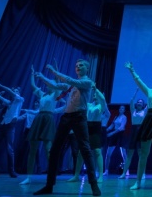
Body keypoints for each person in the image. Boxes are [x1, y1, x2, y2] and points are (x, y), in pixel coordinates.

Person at [33, 59, 101, 196]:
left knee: (85, 149)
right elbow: (56, 85)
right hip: (66, 117)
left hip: (79, 117)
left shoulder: (88, 82)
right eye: (76, 65)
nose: (78, 67)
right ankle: (49, 185)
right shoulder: (72, 85)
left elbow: (70, 80)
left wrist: (53, 71)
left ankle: (94, 185)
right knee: (54, 150)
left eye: (81, 65)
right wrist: (42, 77)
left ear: (87, 68)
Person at [124, 61, 152, 190]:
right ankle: (138, 181)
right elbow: (139, 81)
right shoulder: (149, 91)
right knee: (143, 152)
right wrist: (132, 70)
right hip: (150, 119)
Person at [19, 66, 62, 185]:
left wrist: (55, 70)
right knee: (32, 149)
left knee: (48, 149)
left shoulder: (56, 94)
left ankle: (51, 176)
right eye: (47, 84)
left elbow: (57, 82)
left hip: (48, 118)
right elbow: (33, 86)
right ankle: (28, 177)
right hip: (39, 118)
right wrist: (32, 74)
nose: (48, 85)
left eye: (50, 83)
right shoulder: (43, 94)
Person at [0, 80, 25, 178]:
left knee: (9, 149)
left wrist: (0, 85)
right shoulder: (9, 102)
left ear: (18, 93)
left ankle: (12, 171)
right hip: (2, 126)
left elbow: (10, 92)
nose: (14, 92)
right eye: (14, 91)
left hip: (10, 126)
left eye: (16, 91)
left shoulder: (20, 99)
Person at [68, 86, 108, 183]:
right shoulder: (89, 105)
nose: (95, 96)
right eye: (94, 95)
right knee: (81, 152)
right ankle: (76, 175)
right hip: (87, 127)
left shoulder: (101, 106)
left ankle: (101, 176)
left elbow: (103, 99)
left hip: (96, 128)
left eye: (96, 95)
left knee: (97, 151)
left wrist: (96, 89)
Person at [119, 90, 147, 179]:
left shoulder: (144, 111)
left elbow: (150, 102)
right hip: (133, 132)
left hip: (141, 131)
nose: (139, 103)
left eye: (141, 102)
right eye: (138, 102)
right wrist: (136, 92)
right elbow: (131, 100)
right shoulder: (133, 111)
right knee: (129, 153)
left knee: (141, 154)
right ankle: (124, 173)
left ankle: (142, 173)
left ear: (143, 105)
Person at [104, 105, 127, 175]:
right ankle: (106, 170)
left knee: (123, 154)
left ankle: (126, 170)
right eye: (120, 108)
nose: (121, 109)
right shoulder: (116, 117)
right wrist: (105, 130)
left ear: (124, 110)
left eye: (122, 108)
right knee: (108, 154)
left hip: (120, 134)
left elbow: (121, 127)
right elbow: (112, 126)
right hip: (114, 135)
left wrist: (112, 133)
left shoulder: (124, 117)